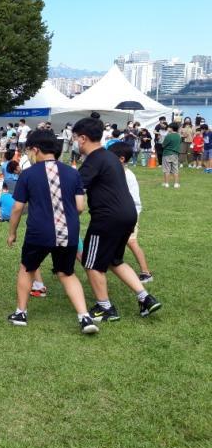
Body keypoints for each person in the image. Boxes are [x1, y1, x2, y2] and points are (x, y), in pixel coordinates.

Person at [5, 130, 98, 334]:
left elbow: (18, 208)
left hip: (38, 232)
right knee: (67, 273)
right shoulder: (73, 172)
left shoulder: (28, 174)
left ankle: (20, 312)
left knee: (27, 269)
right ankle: (85, 317)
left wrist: (12, 232)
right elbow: (80, 206)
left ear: (36, 149)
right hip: (69, 232)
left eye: (29, 150)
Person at [72, 116, 161, 322]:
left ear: (83, 138)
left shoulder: (93, 161)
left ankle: (105, 308)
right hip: (128, 215)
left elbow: (74, 189)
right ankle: (145, 297)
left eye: (76, 138)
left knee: (91, 262)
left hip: (107, 218)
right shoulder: (110, 157)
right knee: (114, 260)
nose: (76, 142)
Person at [107, 142, 153, 283]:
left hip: (130, 213)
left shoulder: (126, 175)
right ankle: (109, 262)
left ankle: (146, 273)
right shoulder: (117, 172)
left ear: (121, 159)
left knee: (131, 241)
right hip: (120, 214)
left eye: (110, 156)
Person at [161, 122, 181, 188]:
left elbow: (163, 145)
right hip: (175, 154)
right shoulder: (179, 136)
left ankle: (166, 184)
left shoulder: (168, 136)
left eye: (169, 127)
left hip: (167, 154)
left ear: (171, 128)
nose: (168, 128)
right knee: (175, 170)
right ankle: (176, 184)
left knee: (167, 170)